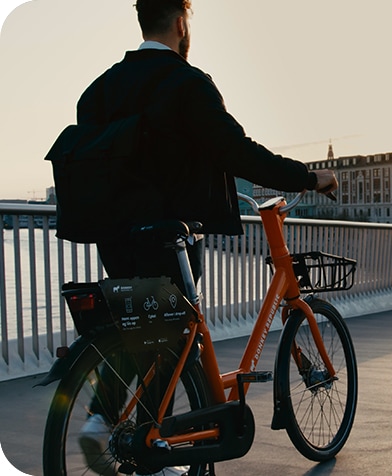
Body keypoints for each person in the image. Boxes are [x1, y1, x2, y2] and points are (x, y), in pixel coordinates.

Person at [75, 1, 338, 474]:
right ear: (180, 22)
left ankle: (103, 421)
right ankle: (158, 449)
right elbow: (239, 153)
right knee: (174, 337)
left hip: (114, 237)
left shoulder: (99, 91)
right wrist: (307, 177)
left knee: (146, 331)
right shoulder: (187, 84)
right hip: (172, 236)